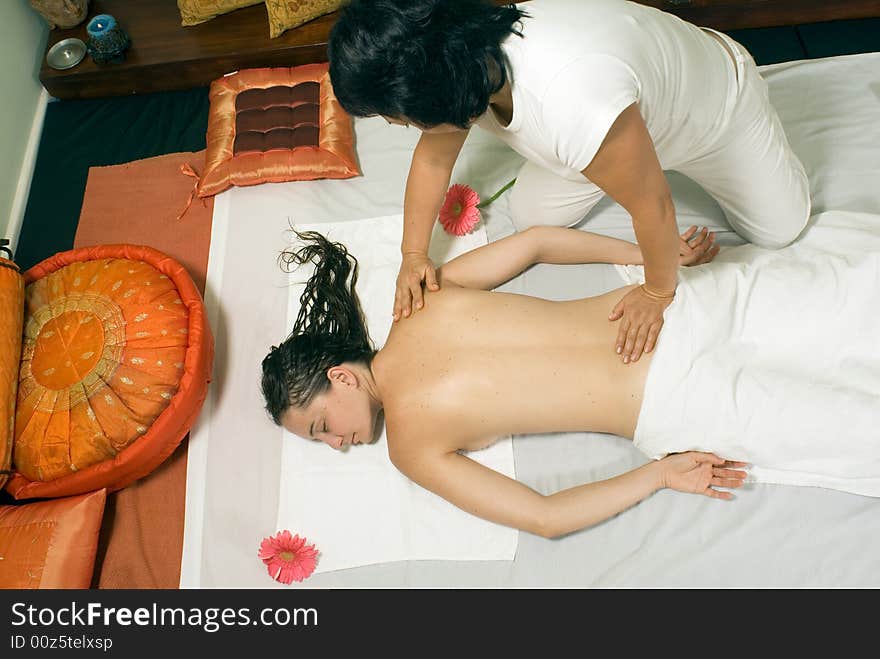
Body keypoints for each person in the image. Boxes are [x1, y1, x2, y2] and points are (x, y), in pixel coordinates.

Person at [327, 0, 811, 366]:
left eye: (401, 119)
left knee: (780, 228)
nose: (400, 128)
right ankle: (621, 154)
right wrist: (413, 254)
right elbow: (434, 160)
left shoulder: (570, 98)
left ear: (439, 95)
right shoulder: (467, 55)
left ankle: (666, 140)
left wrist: (658, 292)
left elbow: (654, 207)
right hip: (619, 123)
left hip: (714, 113)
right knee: (534, 215)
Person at [260, 225, 752, 538]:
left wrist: (659, 475)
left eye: (319, 425)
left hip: (674, 401)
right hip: (668, 307)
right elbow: (537, 241)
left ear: (341, 377)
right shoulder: (420, 300)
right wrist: (655, 258)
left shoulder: (409, 448)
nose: (333, 444)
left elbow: (546, 519)